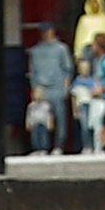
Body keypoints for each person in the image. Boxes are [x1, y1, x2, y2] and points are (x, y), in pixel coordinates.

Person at [25, 24, 72, 156]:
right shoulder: (35, 51)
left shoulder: (61, 48)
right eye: (43, 31)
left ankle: (59, 146)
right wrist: (34, 88)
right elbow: (32, 71)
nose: (46, 34)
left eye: (48, 31)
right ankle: (42, 147)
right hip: (41, 89)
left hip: (57, 88)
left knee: (60, 119)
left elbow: (67, 69)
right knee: (39, 119)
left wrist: (65, 88)